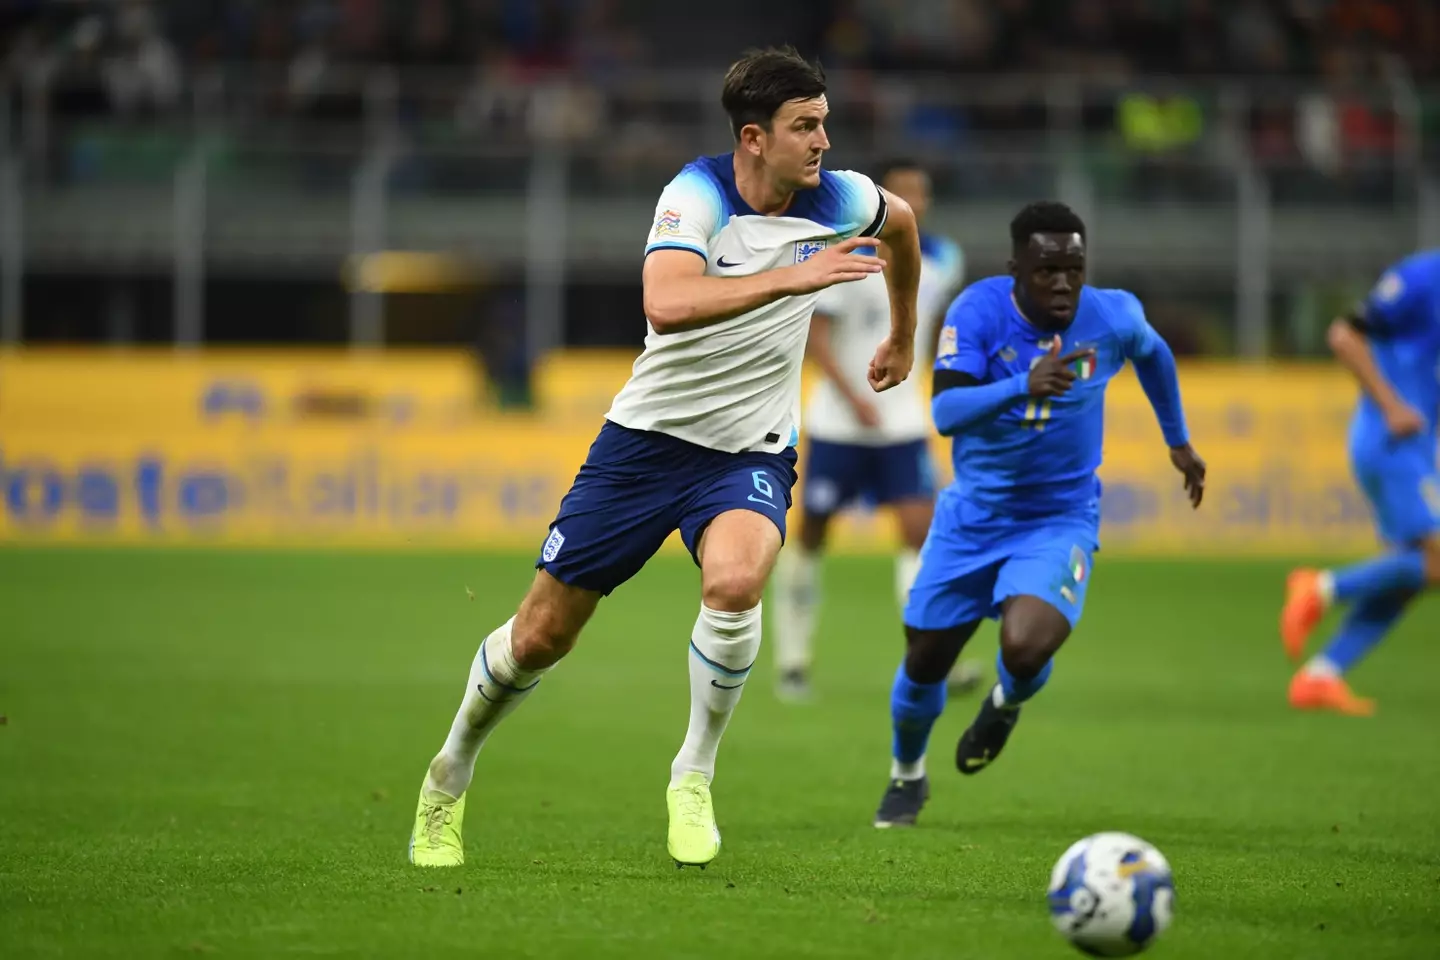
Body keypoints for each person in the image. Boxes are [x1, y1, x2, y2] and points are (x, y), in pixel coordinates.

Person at [407, 46, 924, 868]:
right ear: (754, 138)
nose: (824, 141)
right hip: (643, 448)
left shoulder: (843, 197)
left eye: (825, 122)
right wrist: (789, 281)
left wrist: (901, 331)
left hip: (748, 449)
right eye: (805, 126)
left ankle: (694, 772)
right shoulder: (695, 193)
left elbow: (901, 226)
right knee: (541, 637)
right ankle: (450, 770)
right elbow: (668, 301)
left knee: (735, 580)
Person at [872, 201, 1206, 828]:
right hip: (973, 518)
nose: (1063, 283)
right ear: (1016, 268)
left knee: (1024, 648)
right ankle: (907, 774)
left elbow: (1154, 354)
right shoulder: (978, 311)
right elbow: (945, 415)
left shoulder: (1111, 315)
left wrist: (1178, 440)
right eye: (1048, 269)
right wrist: (1022, 383)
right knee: (924, 662)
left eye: (1074, 269)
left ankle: (1004, 702)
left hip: (1058, 519)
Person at [770, 159, 973, 702]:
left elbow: (929, 331)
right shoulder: (849, 255)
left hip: (903, 423)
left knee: (919, 534)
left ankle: (929, 661)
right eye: (901, 190)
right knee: (810, 538)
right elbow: (817, 341)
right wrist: (855, 397)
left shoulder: (945, 260)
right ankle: (792, 661)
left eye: (921, 191)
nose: (914, 200)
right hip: (840, 421)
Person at [1280, 250, 1440, 716]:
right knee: (1434, 561)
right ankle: (1321, 587)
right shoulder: (1422, 278)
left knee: (1415, 572)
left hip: (1415, 448)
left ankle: (1320, 675)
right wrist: (1391, 405)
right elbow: (1344, 335)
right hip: (1390, 439)